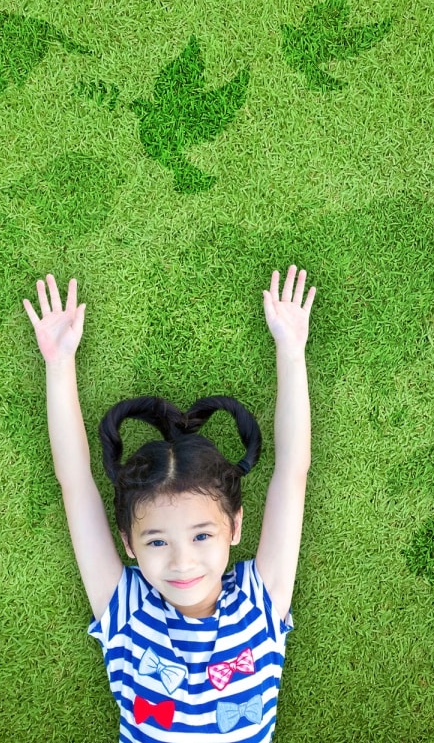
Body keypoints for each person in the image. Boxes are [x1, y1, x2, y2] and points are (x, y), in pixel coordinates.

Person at [24, 265, 316, 741]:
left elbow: (293, 474)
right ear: (129, 544)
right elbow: (74, 483)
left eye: (202, 535)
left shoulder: (261, 603)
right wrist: (59, 367)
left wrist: (291, 351)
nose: (183, 562)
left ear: (235, 527)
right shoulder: (125, 608)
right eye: (157, 540)